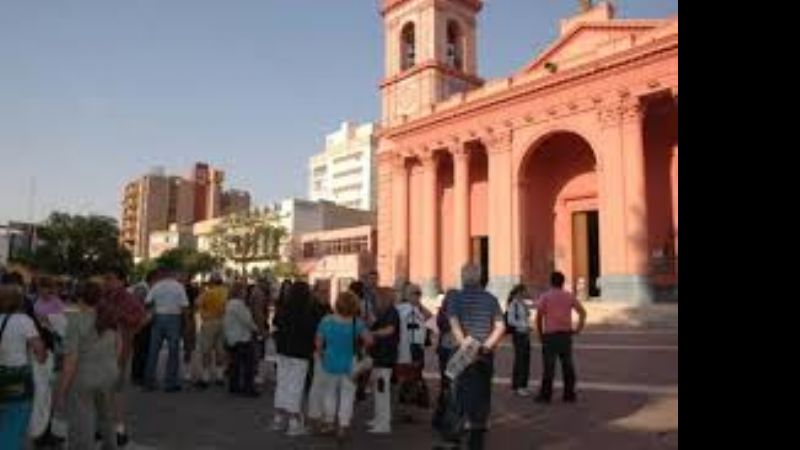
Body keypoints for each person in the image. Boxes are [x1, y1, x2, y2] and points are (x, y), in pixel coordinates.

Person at [55, 281, 122, 450]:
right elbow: (119, 346)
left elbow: (71, 360)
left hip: (84, 375)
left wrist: (61, 390)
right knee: (106, 415)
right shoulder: (110, 317)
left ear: (80, 299)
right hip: (109, 372)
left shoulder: (75, 321)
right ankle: (110, 445)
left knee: (82, 421)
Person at [448, 264, 506, 450]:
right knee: (482, 391)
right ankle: (477, 436)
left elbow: (454, 322)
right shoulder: (491, 299)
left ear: (463, 277)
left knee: (459, 391)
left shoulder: (455, 298)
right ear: (480, 277)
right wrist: (486, 346)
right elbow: (500, 326)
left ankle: (457, 430)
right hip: (484, 353)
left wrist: (465, 345)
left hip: (461, 351)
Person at [314, 291, 373, 440]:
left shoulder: (326, 320)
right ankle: (342, 427)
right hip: (350, 363)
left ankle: (329, 422)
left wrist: (321, 355)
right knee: (347, 396)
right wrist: (363, 350)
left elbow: (318, 343)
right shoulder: (356, 323)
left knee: (329, 394)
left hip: (330, 361)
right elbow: (370, 340)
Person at [102, 268, 146, 447]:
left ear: (121, 281)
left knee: (116, 389)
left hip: (119, 349)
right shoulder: (103, 297)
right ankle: (104, 427)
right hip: (101, 350)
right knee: (103, 389)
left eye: (111, 279)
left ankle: (119, 429)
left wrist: (128, 327)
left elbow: (142, 318)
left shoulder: (127, 299)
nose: (107, 282)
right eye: (106, 279)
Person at [0, 284, 47, 450]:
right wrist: (43, 358)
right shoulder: (23, 321)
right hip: (17, 378)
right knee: (16, 422)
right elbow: (40, 351)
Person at [271, 281, 317, 436]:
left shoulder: (283, 308)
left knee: (282, 383)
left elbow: (275, 323)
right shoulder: (307, 312)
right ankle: (293, 422)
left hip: (283, 351)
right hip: (299, 353)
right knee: (295, 387)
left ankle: (278, 418)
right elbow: (311, 332)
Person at [534, 271, 587, 404]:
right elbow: (582, 312)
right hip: (565, 335)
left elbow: (539, 317)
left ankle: (546, 395)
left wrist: (540, 334)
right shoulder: (568, 296)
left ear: (551, 282)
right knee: (567, 365)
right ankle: (569, 394)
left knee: (549, 367)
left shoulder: (545, 296)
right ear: (562, 282)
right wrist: (578, 328)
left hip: (550, 336)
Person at [143, 269, 189, 392]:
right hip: (174, 318)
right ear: (173, 276)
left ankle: (149, 382)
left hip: (158, 317)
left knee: (153, 350)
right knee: (173, 351)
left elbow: (147, 302)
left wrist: (154, 310)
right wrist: (186, 322)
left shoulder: (157, 286)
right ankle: (171, 383)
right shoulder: (179, 287)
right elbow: (184, 305)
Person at [394, 282, 433, 422]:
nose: (418, 296)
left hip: (417, 349)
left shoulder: (421, 310)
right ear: (406, 295)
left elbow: (432, 320)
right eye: (414, 293)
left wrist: (420, 308)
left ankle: (408, 409)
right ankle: (403, 409)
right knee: (403, 379)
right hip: (403, 349)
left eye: (419, 293)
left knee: (414, 379)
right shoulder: (399, 309)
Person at [366, 287, 400, 434]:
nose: (377, 301)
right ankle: (379, 418)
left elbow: (390, 330)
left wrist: (374, 333)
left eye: (379, 298)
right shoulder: (383, 312)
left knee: (382, 391)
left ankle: (383, 423)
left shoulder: (392, 312)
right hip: (379, 356)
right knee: (378, 390)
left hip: (386, 357)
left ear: (386, 298)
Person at [223, 282, 259, 397]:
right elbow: (247, 320)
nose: (246, 292)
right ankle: (248, 388)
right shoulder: (238, 304)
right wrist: (256, 329)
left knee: (235, 364)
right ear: (239, 292)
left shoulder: (229, 303)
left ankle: (234, 386)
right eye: (243, 290)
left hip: (232, 337)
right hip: (242, 338)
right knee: (248, 364)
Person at [195, 273, 228, 388]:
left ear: (211, 282)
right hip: (223, 322)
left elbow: (197, 303)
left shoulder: (207, 293)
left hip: (209, 322)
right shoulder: (226, 292)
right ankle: (219, 376)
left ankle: (206, 377)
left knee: (206, 350)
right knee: (220, 350)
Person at [507, 284, 533, 397]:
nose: (526, 293)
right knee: (521, 360)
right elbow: (511, 320)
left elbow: (525, 316)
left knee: (524, 359)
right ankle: (520, 386)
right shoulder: (514, 304)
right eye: (524, 291)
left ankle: (519, 385)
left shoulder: (522, 303)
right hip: (519, 334)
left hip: (525, 334)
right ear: (520, 292)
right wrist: (524, 325)